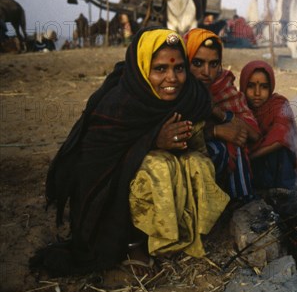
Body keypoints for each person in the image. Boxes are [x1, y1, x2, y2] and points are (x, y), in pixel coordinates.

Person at [30, 27, 230, 277]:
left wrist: (217, 125)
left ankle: (174, 235)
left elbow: (201, 116)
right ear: (142, 67)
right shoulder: (118, 105)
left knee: (197, 163)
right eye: (160, 69)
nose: (172, 78)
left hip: (164, 166)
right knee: (156, 168)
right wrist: (153, 140)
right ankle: (133, 243)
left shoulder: (190, 94)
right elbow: (94, 168)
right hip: (115, 195)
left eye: (179, 68)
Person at [184, 28, 261, 202]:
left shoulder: (222, 85)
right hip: (182, 160)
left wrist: (220, 114)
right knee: (219, 149)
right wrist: (215, 131)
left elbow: (253, 133)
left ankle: (242, 204)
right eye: (197, 63)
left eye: (213, 64)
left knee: (235, 140)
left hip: (214, 158)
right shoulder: (177, 87)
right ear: (185, 60)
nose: (206, 72)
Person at [239, 60, 297, 190]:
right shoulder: (237, 106)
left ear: (271, 87)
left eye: (264, 87)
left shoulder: (278, 105)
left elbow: (281, 137)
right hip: (250, 171)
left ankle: (286, 194)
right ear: (243, 85)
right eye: (251, 86)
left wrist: (248, 158)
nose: (257, 93)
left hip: (276, 169)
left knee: (281, 150)